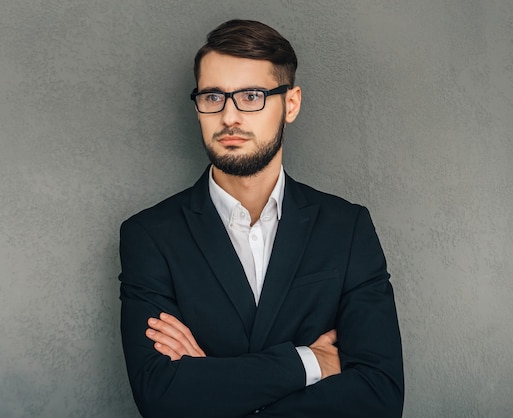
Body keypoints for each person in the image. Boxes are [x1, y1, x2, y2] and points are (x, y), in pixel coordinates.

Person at [119, 19, 403, 417]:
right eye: (213, 97)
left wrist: (210, 382)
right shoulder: (149, 235)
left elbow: (379, 396)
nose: (229, 117)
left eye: (251, 96)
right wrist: (309, 363)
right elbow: (161, 396)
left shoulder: (347, 228)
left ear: (291, 104)